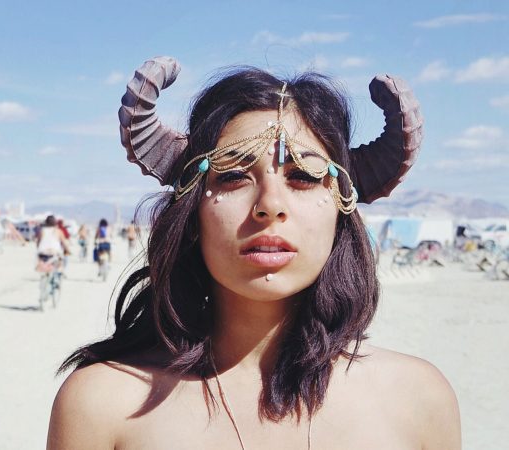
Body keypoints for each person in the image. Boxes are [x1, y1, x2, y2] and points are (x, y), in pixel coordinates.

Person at [47, 58, 460, 449]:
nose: (270, 205)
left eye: (304, 176)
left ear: (341, 207)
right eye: (232, 176)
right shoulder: (102, 404)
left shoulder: (420, 400)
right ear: (192, 213)